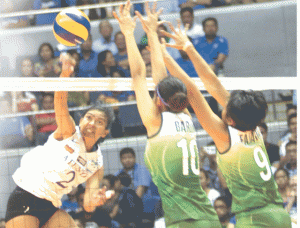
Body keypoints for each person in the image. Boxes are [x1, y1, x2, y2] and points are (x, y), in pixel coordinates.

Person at [159, 19, 292, 227]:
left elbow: (192, 93)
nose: (223, 105)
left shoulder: (225, 138)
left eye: (224, 108)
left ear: (229, 118)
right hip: (279, 214)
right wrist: (188, 48)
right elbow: (213, 83)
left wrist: (163, 55)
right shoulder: (254, 127)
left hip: (255, 218)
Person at [113, 1, 221, 227]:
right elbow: (160, 80)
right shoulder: (184, 114)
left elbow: (138, 76)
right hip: (208, 217)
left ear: (159, 102)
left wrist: (128, 33)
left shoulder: (155, 122)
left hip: (185, 221)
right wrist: (151, 33)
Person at [5, 53, 115, 228]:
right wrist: (65, 74)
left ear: (105, 132)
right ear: (81, 120)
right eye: (89, 117)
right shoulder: (69, 132)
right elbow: (61, 106)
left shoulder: (96, 163)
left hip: (50, 205)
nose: (92, 123)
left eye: (99, 122)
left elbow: (87, 203)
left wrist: (95, 200)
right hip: (26, 195)